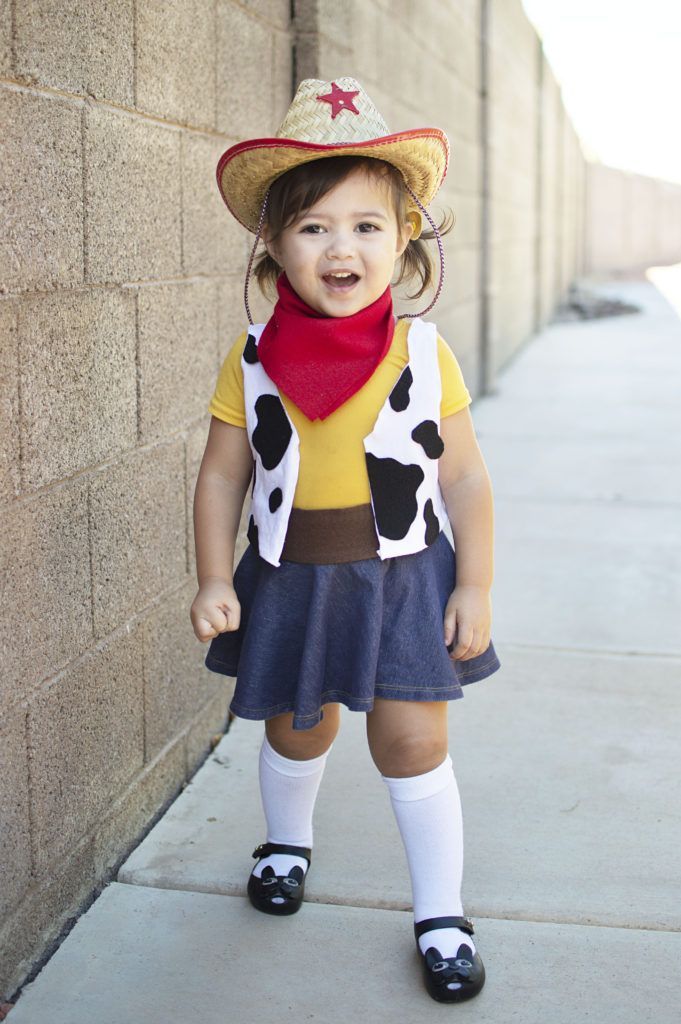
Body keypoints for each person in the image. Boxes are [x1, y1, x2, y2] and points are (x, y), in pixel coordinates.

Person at [189, 77, 501, 1004]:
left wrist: (474, 585)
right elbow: (221, 475)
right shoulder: (251, 360)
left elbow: (467, 478)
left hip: (404, 578)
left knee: (410, 743)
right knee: (298, 724)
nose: (341, 247)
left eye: (367, 225)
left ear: (405, 238)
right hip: (290, 576)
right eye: (314, 227)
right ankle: (287, 844)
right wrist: (214, 573)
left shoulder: (422, 354)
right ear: (275, 246)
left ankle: (439, 913)